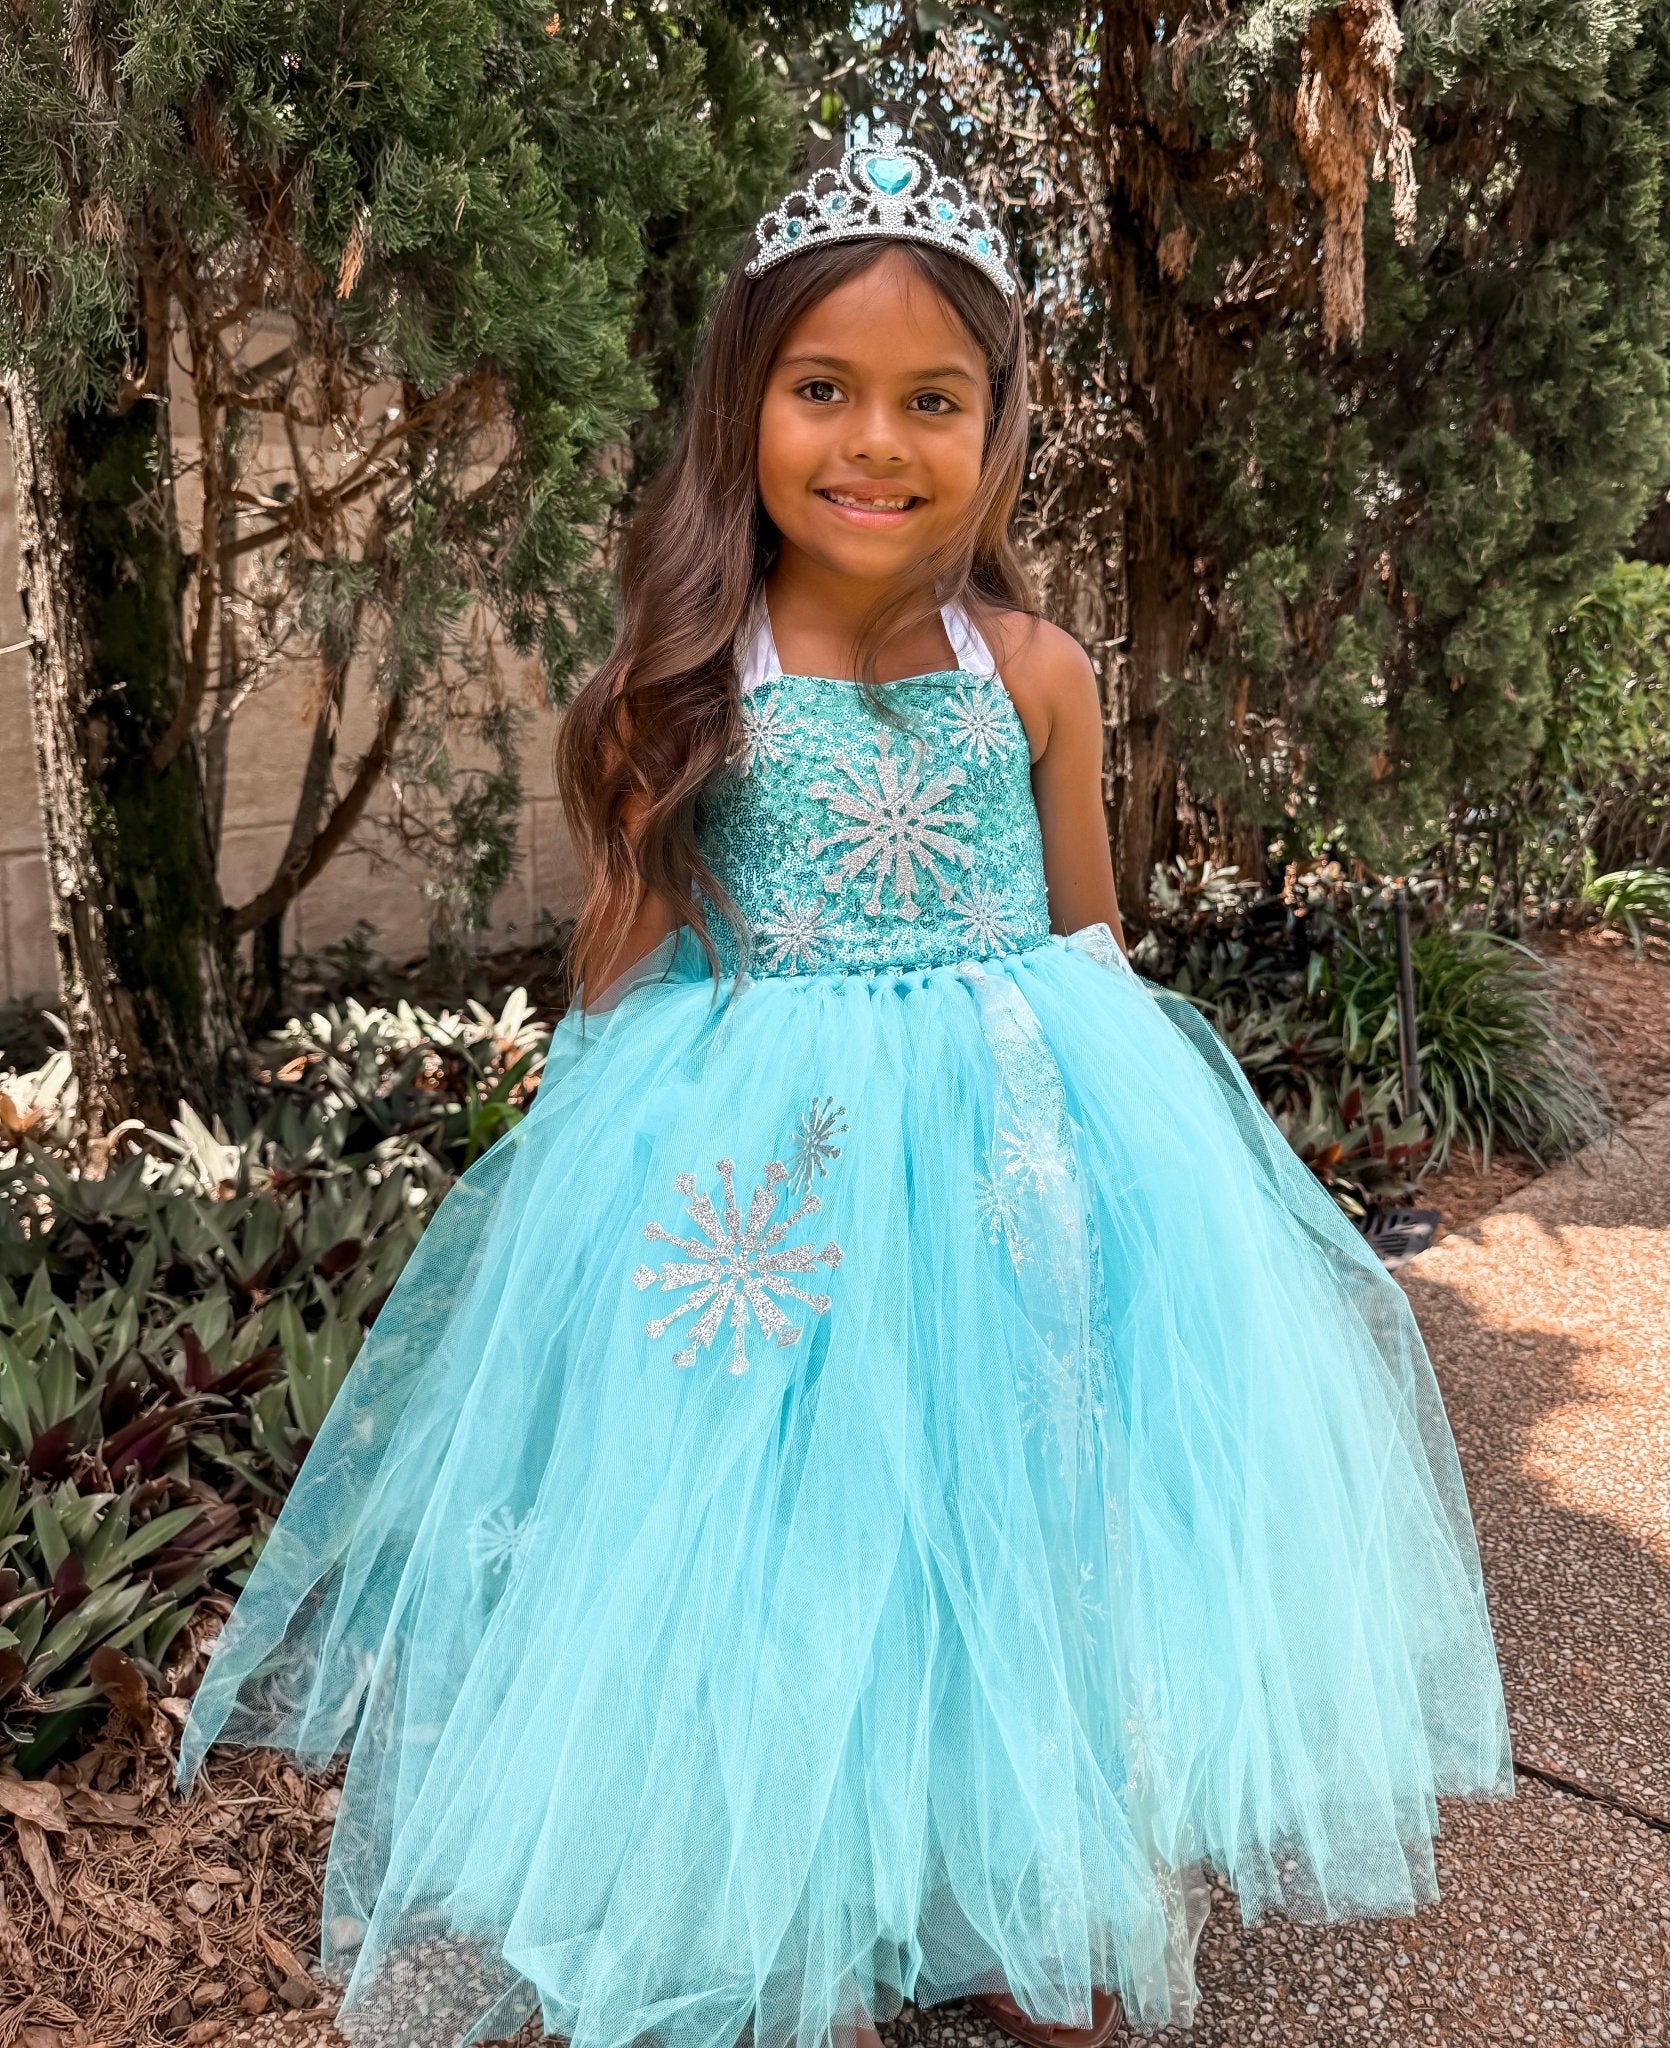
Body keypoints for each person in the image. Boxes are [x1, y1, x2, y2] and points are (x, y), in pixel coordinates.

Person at [172, 125, 1514, 2048]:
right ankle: (779, 1896)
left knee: (1020, 1512)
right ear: (747, 404)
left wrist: (1151, 1170)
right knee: (791, 1528)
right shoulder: (684, 681)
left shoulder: (1033, 670)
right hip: (774, 1187)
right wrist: (594, 1184)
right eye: (824, 389)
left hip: (1014, 1157)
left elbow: (1085, 942)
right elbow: (636, 969)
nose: (875, 442)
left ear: (999, 425)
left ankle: (1019, 1891)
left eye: (931, 400)